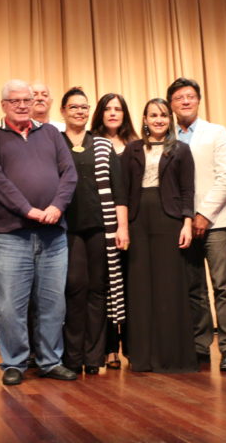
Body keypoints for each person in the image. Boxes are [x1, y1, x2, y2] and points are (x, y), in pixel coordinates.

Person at [0, 79, 78, 386]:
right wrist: (29, 210)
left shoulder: (50, 133)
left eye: (27, 99)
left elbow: (69, 174)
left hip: (53, 236)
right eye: (15, 100)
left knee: (52, 303)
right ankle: (14, 362)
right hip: (10, 236)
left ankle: (50, 361)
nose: (23, 105)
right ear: (4, 105)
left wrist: (57, 207)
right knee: (11, 305)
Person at [166, 77, 226, 371]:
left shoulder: (216, 132)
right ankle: (200, 346)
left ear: (198, 100)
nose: (186, 101)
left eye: (191, 96)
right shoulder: (166, 135)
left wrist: (204, 214)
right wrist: (186, 218)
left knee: (222, 286)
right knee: (194, 289)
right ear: (170, 104)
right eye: (179, 98)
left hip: (216, 222)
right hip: (182, 224)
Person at [123, 98, 196, 373]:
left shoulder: (181, 149)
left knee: (169, 287)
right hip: (138, 220)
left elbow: (188, 190)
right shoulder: (131, 149)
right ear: (144, 119)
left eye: (163, 115)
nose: (158, 120)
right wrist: (123, 225)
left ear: (170, 119)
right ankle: (142, 357)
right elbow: (124, 190)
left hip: (170, 220)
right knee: (140, 287)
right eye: (153, 115)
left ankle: (172, 357)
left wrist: (187, 223)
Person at [59, 88, 129, 375]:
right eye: (73, 107)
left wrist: (122, 227)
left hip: (101, 228)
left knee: (98, 291)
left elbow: (119, 190)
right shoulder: (55, 142)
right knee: (75, 288)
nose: (79, 111)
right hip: (66, 229)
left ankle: (94, 357)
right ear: (63, 111)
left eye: (84, 107)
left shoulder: (102, 144)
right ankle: (72, 357)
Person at [90, 92, 138, 369]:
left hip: (135, 221)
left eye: (118, 109)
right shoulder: (91, 142)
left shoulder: (135, 143)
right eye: (107, 109)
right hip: (105, 223)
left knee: (132, 286)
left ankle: (133, 345)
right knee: (107, 287)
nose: (112, 113)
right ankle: (110, 349)